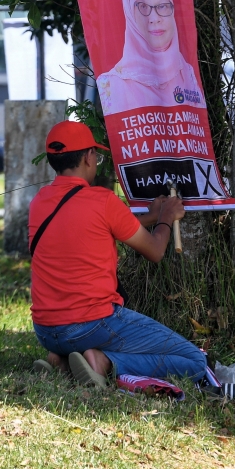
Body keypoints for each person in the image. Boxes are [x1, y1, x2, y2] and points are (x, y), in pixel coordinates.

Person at [29, 120, 209, 388]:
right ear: (89, 157)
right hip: (91, 326)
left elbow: (98, 227)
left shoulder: (39, 201)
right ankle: (104, 362)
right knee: (195, 362)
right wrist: (167, 218)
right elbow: (156, 251)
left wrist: (152, 216)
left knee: (74, 335)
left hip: (46, 330)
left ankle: (63, 361)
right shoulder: (102, 201)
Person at [98, 0, 202, 116]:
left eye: (163, 6)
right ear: (129, 13)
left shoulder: (187, 74)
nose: (154, 19)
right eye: (143, 7)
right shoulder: (110, 86)